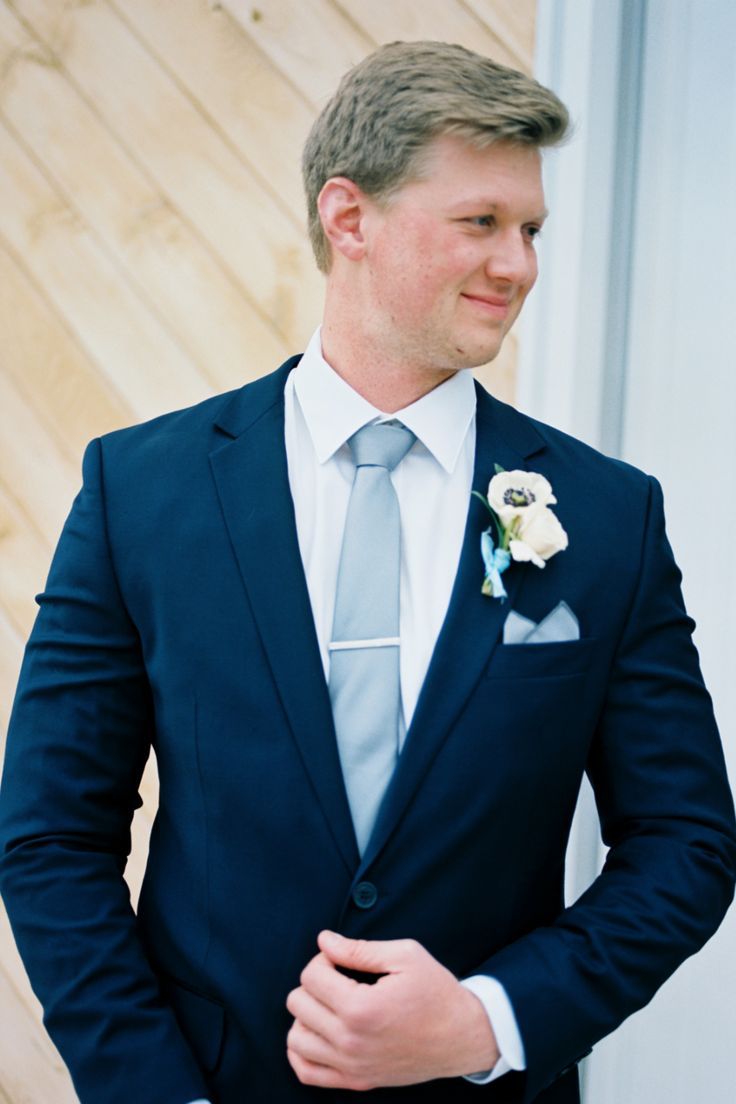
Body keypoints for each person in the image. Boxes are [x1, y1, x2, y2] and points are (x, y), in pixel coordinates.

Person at [1, 40, 734, 1104]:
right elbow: (51, 834)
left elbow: (685, 844)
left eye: (529, 229)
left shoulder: (609, 517)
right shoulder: (140, 493)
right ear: (349, 219)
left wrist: (488, 1018)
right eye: (480, 223)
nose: (519, 264)